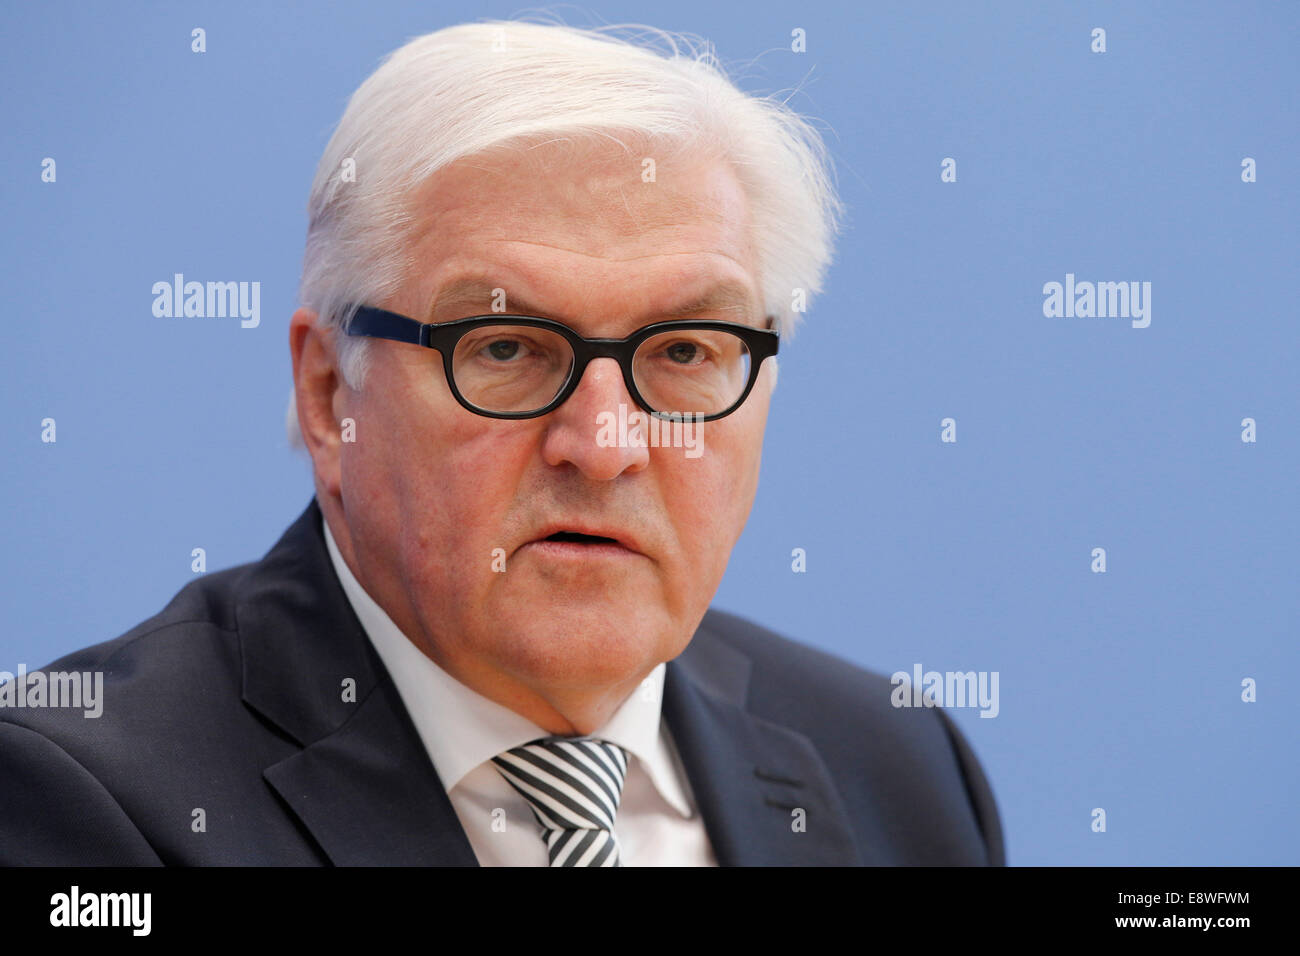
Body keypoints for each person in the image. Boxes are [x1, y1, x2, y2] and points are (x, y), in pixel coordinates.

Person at [0, 20, 1003, 866]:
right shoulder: (83, 801)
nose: (604, 444)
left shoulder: (898, 770)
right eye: (507, 346)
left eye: (687, 349)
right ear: (325, 395)